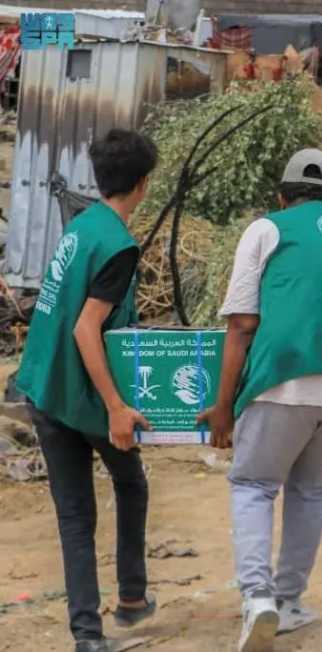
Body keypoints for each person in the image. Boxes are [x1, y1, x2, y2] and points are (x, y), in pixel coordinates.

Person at [198, 149, 322, 652]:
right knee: (313, 490)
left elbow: (241, 322)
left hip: (288, 378)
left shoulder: (268, 228)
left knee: (254, 484)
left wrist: (223, 407)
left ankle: (259, 598)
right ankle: (290, 602)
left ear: (282, 197)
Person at [17, 129, 159, 652]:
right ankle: (130, 597)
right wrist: (119, 407)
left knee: (75, 515)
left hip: (44, 386)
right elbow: (85, 329)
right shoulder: (119, 245)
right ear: (143, 184)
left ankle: (88, 635)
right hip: (83, 395)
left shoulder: (81, 225)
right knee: (130, 483)